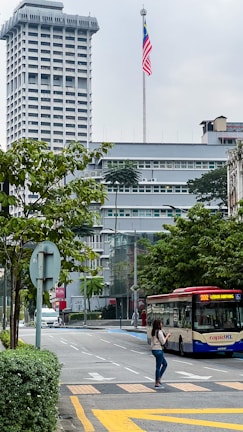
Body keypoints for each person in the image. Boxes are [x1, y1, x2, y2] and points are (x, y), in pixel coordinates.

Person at [151, 319, 171, 389]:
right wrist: (167, 336)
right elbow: (163, 342)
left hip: (154, 350)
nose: (162, 324)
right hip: (158, 350)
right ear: (159, 324)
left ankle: (158, 379)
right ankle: (157, 382)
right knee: (158, 367)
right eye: (161, 323)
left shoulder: (153, 331)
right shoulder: (159, 332)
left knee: (164, 364)